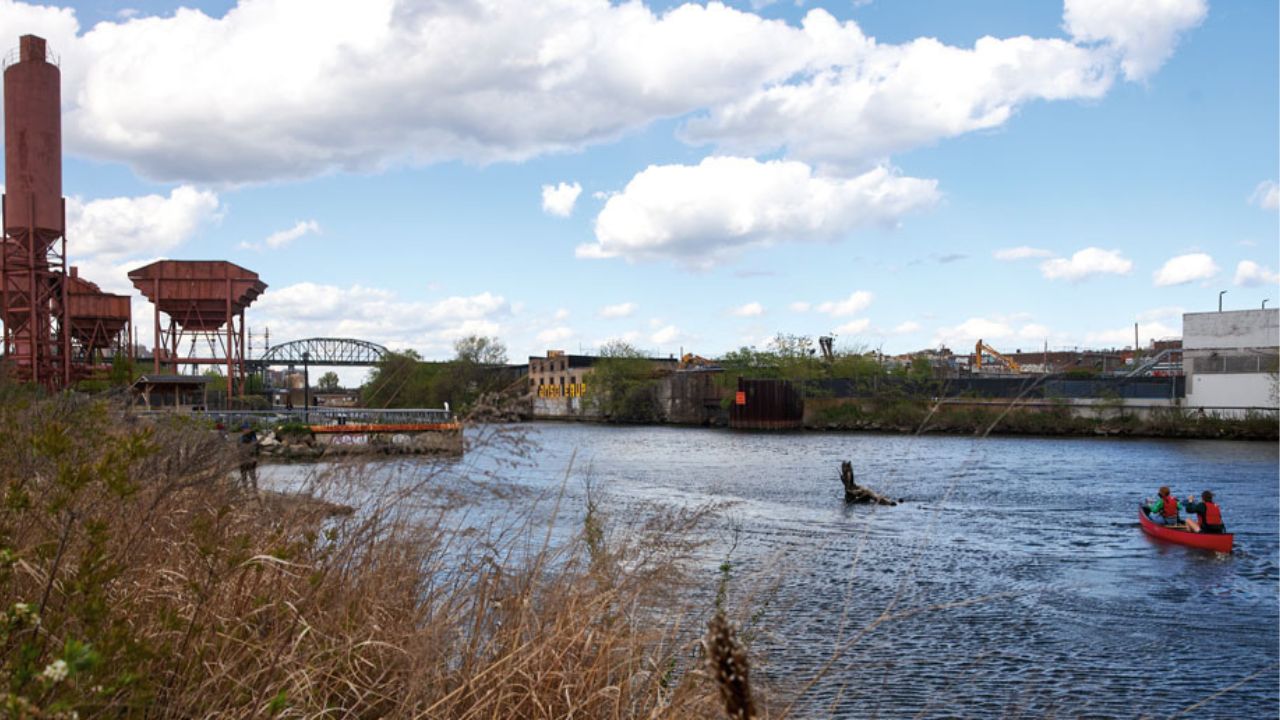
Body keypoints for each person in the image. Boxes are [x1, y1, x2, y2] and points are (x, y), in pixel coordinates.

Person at [238, 422, 260, 493]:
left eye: (245, 428)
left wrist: (255, 457)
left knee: (252, 475)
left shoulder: (253, 437)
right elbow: (238, 447)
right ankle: (246, 490)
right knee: (243, 476)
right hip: (242, 459)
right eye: (243, 429)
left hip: (251, 459)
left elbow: (256, 448)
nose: (244, 430)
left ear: (249, 429)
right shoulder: (241, 437)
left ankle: (255, 490)